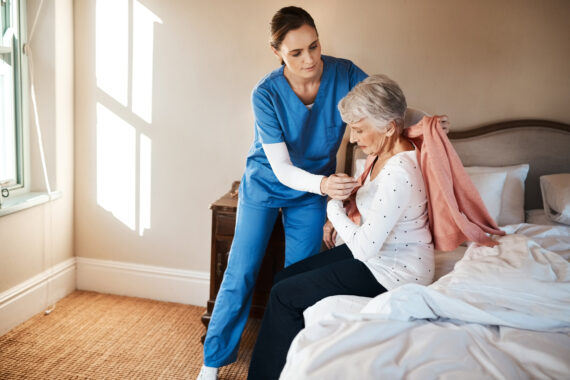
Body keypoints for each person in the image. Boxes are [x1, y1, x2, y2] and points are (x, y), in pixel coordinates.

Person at [197, 7, 368, 380]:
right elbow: (282, 168)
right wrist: (324, 185)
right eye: (296, 53)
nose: (309, 59)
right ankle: (211, 363)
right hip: (267, 184)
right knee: (240, 271)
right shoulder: (266, 93)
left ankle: (292, 359)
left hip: (309, 193)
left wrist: (423, 123)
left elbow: (382, 109)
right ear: (277, 53)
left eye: (314, 46)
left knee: (297, 280)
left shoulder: (346, 74)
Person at [247, 74, 435, 380]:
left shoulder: (400, 172)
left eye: (359, 129)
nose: (352, 138)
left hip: (395, 272)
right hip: (379, 257)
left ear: (388, 127)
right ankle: (290, 367)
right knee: (283, 278)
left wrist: (333, 207)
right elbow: (409, 112)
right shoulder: (383, 150)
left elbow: (363, 248)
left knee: (284, 296)